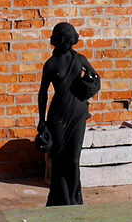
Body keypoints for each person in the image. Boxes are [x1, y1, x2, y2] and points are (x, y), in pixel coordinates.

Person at [36, 22, 99, 206]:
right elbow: (42, 93)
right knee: (59, 159)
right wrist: (42, 120)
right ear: (59, 41)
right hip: (58, 117)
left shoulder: (79, 60)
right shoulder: (50, 65)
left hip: (77, 115)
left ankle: (74, 199)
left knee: (73, 159)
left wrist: (89, 83)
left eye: (71, 42)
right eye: (66, 41)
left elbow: (95, 79)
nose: (69, 45)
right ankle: (60, 199)